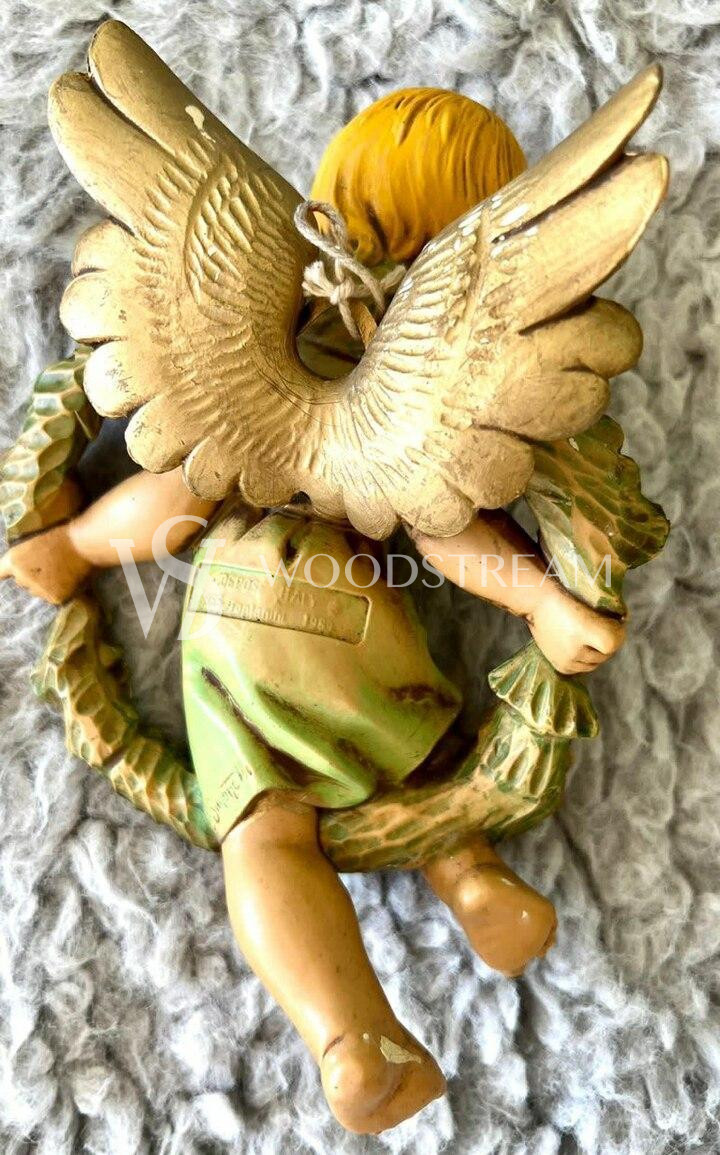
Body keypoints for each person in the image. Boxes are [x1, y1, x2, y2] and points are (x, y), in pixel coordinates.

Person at [1, 82, 626, 1133]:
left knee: (264, 836)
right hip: (364, 611)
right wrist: (543, 602)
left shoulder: (244, 361)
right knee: (429, 758)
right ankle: (470, 875)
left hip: (241, 617)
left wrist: (69, 545)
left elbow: (174, 497)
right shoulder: (420, 384)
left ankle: (350, 1038)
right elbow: (445, 529)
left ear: (324, 207)